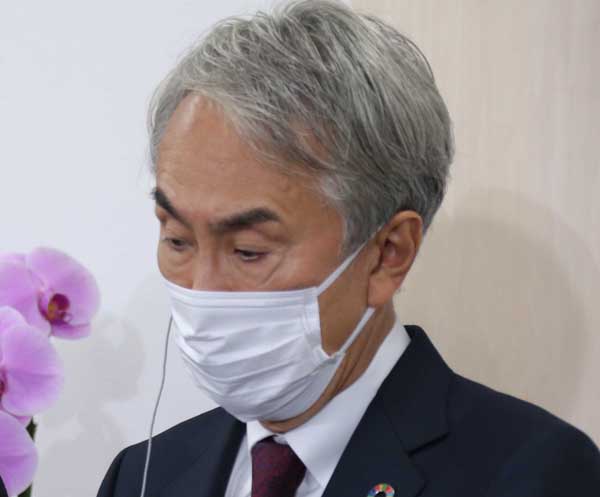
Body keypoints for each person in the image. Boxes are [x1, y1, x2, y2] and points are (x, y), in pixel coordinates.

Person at [97, 1, 600, 496]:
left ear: (388, 253)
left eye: (249, 251)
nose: (203, 290)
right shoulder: (142, 475)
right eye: (177, 240)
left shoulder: (536, 474)